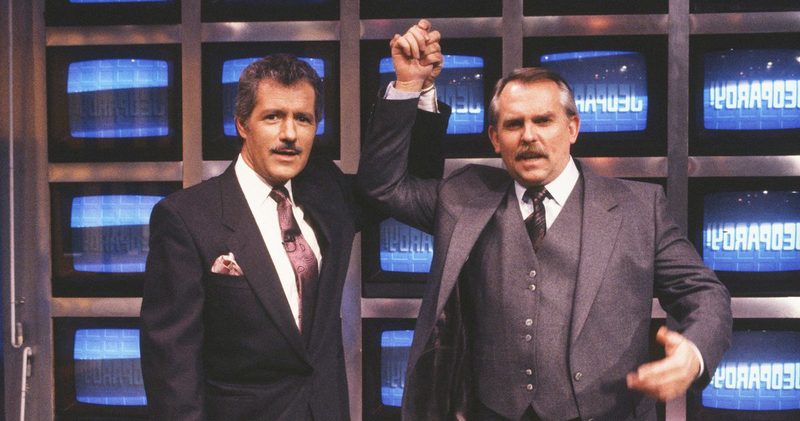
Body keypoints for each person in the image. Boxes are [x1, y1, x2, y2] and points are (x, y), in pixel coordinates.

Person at [358, 30, 733, 421]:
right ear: (494, 138)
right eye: (513, 124)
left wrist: (693, 354)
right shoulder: (463, 197)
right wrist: (408, 86)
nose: (529, 136)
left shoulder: (640, 207)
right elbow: (382, 186)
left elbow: (705, 293)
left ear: (572, 128)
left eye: (543, 121)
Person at [140, 45, 447, 420]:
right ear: (242, 124)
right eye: (273, 117)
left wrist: (412, 87)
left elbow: (405, 187)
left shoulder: (326, 190)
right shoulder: (186, 218)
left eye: (303, 119)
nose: (289, 134)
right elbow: (172, 372)